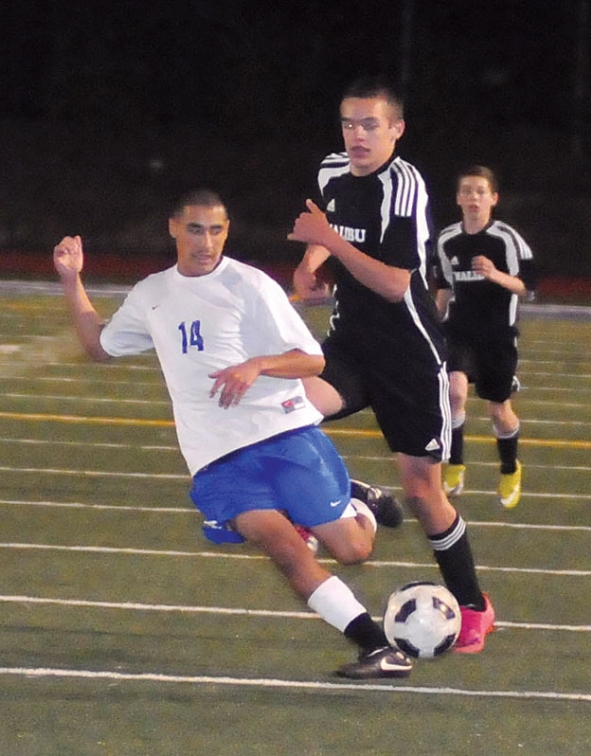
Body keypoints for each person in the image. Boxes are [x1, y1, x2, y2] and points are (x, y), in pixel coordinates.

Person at [53, 189, 411, 680]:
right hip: (217, 457)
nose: (207, 241)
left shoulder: (249, 285)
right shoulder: (151, 294)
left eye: (217, 230)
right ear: (173, 228)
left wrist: (257, 365)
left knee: (353, 551)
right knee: (286, 553)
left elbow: (313, 360)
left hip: (282, 435)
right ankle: (377, 648)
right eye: (196, 229)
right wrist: (71, 281)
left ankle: (358, 501)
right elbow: (99, 346)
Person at [288, 77, 495, 652]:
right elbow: (331, 238)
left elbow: (395, 282)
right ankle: (348, 496)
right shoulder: (333, 171)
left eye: (370, 124)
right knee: (287, 410)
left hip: (408, 355)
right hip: (351, 343)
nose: (357, 135)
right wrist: (312, 264)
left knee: (423, 492)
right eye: (350, 124)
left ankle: (474, 603)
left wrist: (328, 239)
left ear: (396, 130)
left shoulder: (403, 185)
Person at [434, 165, 537, 510]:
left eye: (480, 191)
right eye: (467, 191)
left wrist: (495, 275)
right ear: (458, 198)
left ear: (493, 198)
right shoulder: (447, 239)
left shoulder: (506, 239)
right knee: (454, 392)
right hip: (459, 331)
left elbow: (527, 287)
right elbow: (445, 287)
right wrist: (433, 325)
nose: (473, 197)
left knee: (499, 412)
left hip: (497, 336)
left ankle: (510, 468)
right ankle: (456, 464)